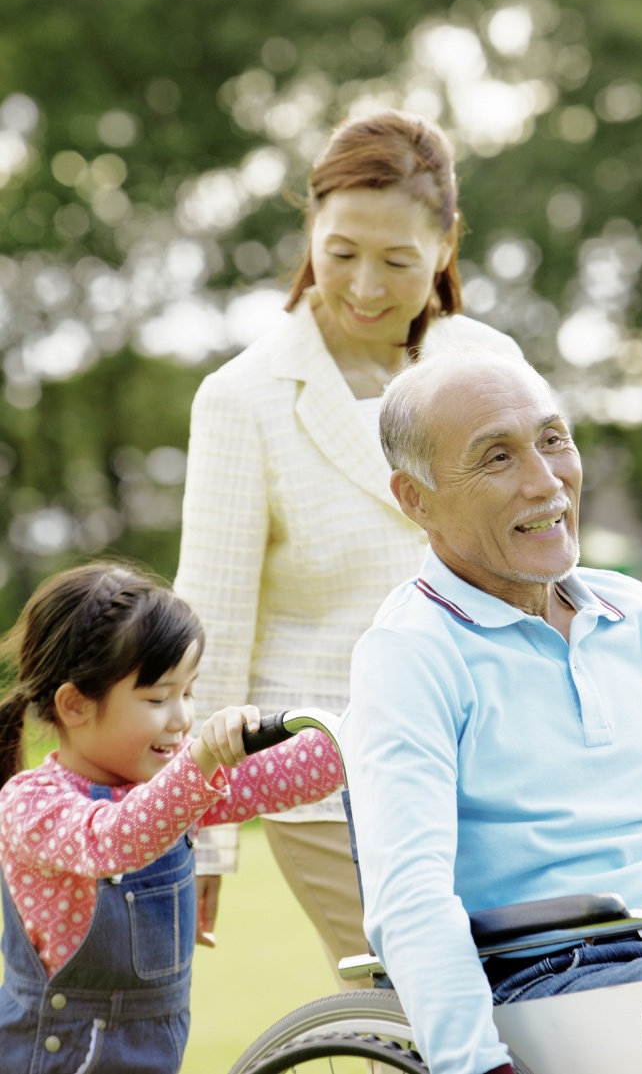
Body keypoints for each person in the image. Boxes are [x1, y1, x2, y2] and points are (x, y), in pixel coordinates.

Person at [341, 347, 642, 1074]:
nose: (547, 481)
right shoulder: (410, 652)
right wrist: (475, 1066)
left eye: (552, 439)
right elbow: (409, 898)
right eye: (497, 458)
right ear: (416, 498)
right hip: (555, 986)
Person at [174, 108, 521, 979]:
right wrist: (204, 837)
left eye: (398, 261)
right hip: (328, 774)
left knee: (542, 1001)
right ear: (310, 229)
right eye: (342, 253)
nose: (365, 285)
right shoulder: (242, 398)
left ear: (444, 246)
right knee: (423, 1006)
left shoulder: (491, 361)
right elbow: (208, 624)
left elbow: (541, 548)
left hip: (499, 753)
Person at [0, 563, 342, 1074]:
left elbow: (282, 775)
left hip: (153, 1054)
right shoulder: (30, 802)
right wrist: (201, 758)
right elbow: (115, 838)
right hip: (58, 1058)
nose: (182, 718)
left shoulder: (171, 787)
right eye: (158, 698)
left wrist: (371, 732)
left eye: (189, 692)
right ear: (75, 705)